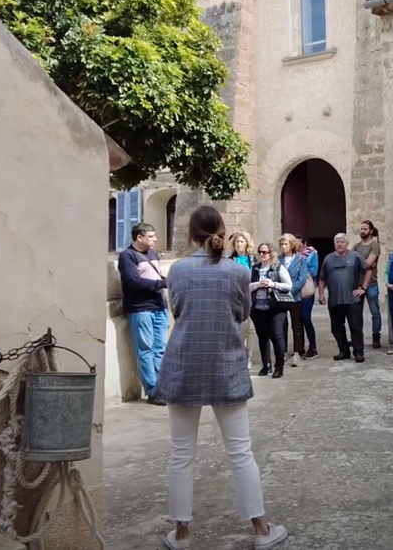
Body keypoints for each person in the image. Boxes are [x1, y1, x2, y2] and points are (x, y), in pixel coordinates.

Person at [153, 206, 288, 550]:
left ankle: (182, 534)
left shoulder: (178, 271)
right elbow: (242, 313)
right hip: (225, 365)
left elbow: (177, 311)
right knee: (241, 453)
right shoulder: (238, 273)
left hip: (184, 365)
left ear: (190, 234)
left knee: (182, 454)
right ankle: (260, 530)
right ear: (222, 231)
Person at [118, 222, 169, 406]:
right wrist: (162, 284)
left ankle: (161, 386)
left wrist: (164, 283)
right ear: (139, 237)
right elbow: (134, 281)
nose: (155, 239)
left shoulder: (153, 254)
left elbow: (155, 276)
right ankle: (152, 390)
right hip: (140, 308)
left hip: (159, 306)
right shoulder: (127, 256)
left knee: (160, 348)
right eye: (151, 236)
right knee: (146, 350)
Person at [318, 233, 371, 362]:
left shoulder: (355, 256)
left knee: (356, 327)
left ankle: (358, 352)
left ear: (347, 243)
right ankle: (344, 350)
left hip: (352, 299)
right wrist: (320, 294)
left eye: (342, 242)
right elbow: (322, 278)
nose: (339, 244)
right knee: (336, 328)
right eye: (337, 242)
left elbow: (368, 270)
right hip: (335, 300)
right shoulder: (328, 259)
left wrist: (363, 288)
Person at [248, 243, 292, 378]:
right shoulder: (254, 269)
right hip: (258, 308)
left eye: (265, 252)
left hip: (275, 307)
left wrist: (272, 284)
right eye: (260, 252)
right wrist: (257, 284)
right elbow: (246, 287)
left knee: (277, 336)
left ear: (271, 253)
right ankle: (266, 365)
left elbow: (288, 286)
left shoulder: (278, 268)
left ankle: (279, 365)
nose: (262, 255)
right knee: (262, 337)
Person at [278, 233, 312, 367]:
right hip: (280, 296)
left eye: (286, 244)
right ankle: (282, 350)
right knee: (282, 325)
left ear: (292, 245)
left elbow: (302, 278)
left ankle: (298, 351)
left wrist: (290, 291)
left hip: (294, 296)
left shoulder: (300, 259)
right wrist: (281, 290)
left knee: (297, 325)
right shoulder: (278, 259)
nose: (283, 247)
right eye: (281, 244)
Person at [228, 231, 258, 371]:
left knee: (251, 329)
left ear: (247, 243)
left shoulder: (253, 260)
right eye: (237, 242)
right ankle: (239, 356)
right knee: (240, 328)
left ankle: (249, 357)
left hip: (253, 297)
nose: (239, 244)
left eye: (242, 241)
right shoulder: (230, 260)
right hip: (237, 298)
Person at [353, 220, 383, 348]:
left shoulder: (375, 245)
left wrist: (360, 264)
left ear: (371, 231)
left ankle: (376, 336)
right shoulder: (356, 246)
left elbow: (369, 263)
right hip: (357, 284)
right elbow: (350, 261)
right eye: (361, 229)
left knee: (375, 312)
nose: (362, 231)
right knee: (356, 313)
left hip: (371, 283)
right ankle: (357, 337)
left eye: (365, 229)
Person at [297, 236, 319, 360]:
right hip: (295, 290)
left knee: (305, 317)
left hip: (306, 289)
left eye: (299, 244)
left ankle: (313, 347)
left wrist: (301, 266)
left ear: (305, 244)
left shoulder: (312, 254)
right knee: (297, 320)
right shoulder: (292, 255)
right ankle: (299, 348)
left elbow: (314, 271)